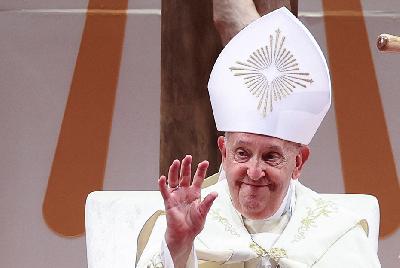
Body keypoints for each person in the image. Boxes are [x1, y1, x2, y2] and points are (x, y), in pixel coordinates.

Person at [137, 7, 381, 268]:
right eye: (242, 153)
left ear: (298, 162)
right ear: (224, 152)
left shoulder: (338, 236)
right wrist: (179, 247)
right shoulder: (181, 222)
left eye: (271, 156)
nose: (254, 172)